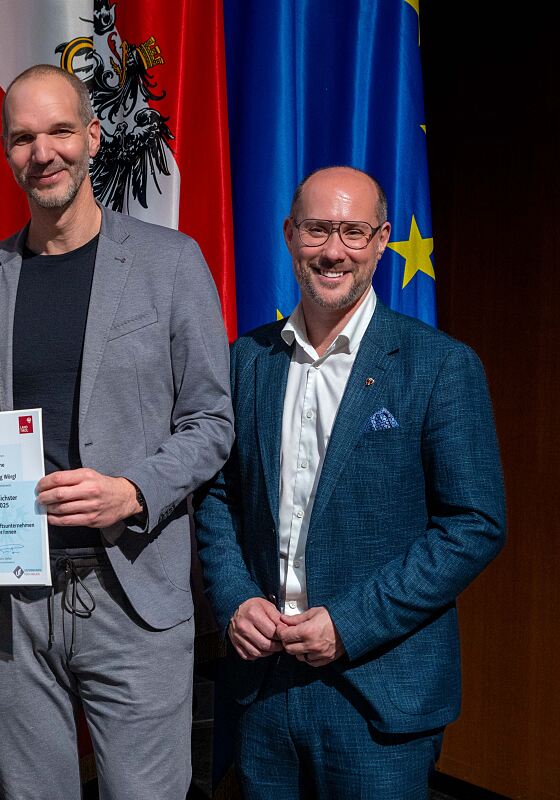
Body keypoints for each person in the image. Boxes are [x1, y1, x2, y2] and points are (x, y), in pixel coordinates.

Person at [0, 64, 234, 799]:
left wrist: (133, 490)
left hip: (132, 593)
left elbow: (211, 421)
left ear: (94, 137)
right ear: (7, 152)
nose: (42, 152)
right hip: (11, 605)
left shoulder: (172, 263)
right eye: (22, 137)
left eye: (59, 131)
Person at [195, 166, 507, 798]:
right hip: (263, 689)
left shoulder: (440, 366)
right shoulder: (245, 361)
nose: (333, 250)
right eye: (317, 229)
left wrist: (351, 622)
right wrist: (233, 600)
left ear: (383, 239)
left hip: (379, 694)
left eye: (354, 232)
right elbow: (216, 494)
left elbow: (474, 524)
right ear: (289, 235)